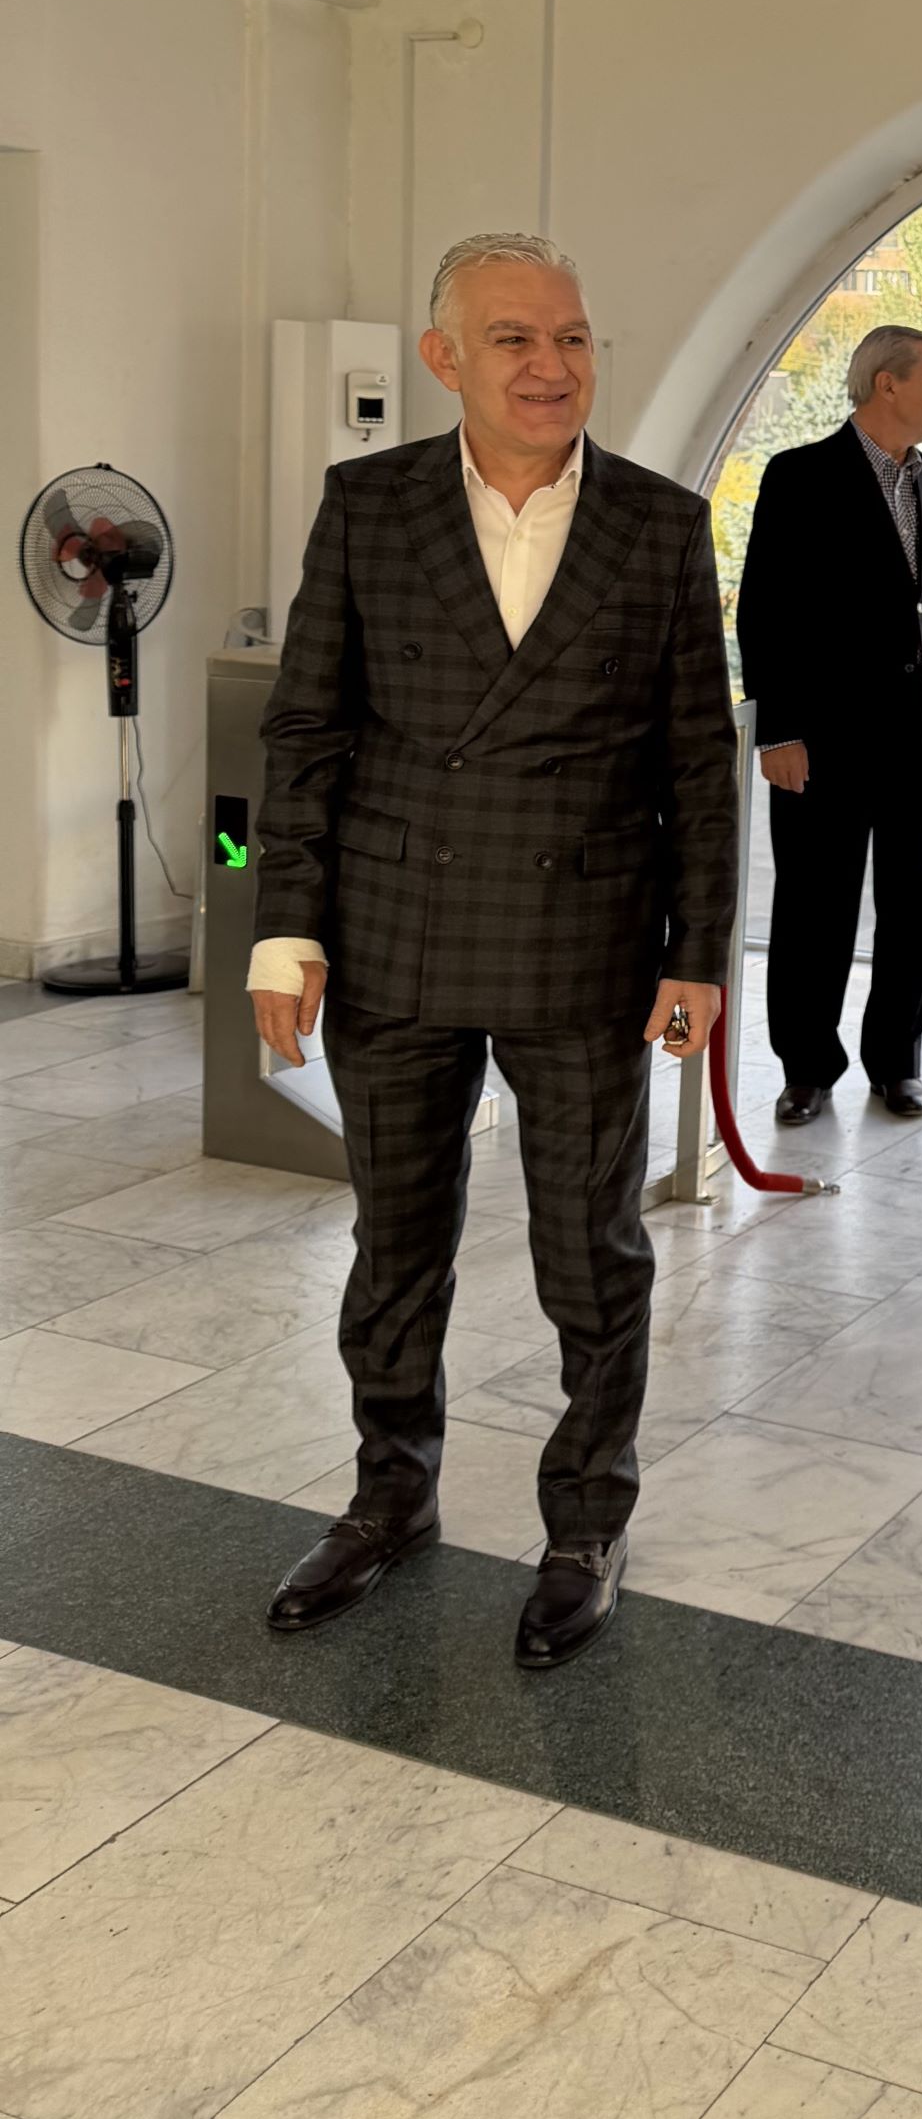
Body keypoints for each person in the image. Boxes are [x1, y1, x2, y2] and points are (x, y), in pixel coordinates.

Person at [248, 231, 737, 1670]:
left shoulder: (659, 524)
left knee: (591, 1253)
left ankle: (586, 1523)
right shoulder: (368, 505)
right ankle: (389, 1495)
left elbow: (698, 763)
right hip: (395, 931)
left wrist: (699, 953)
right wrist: (284, 928)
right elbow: (307, 730)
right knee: (396, 1244)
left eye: (572, 338)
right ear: (444, 358)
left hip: (586, 941)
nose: (551, 366)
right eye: (515, 338)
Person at [737, 326, 922, 1124]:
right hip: (824, 744)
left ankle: (898, 1063)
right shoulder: (799, 476)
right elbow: (764, 611)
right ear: (888, 384)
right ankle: (806, 1068)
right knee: (814, 911)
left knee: (914, 911)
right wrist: (778, 732)